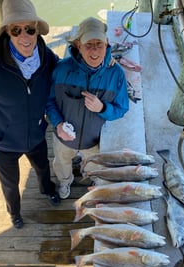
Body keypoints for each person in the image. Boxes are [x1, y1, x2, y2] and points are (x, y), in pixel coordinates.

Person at [0, 0, 61, 229]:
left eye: (30, 29)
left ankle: (48, 190)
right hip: (3, 144)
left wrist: (109, 61)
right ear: (7, 33)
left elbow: (69, 71)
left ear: (36, 29)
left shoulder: (48, 58)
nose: (25, 37)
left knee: (43, 168)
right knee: (10, 185)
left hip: (36, 135)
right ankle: (14, 213)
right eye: (16, 30)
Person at [46, 17, 129, 199]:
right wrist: (58, 124)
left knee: (93, 165)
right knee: (62, 162)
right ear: (78, 45)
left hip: (94, 140)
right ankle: (65, 181)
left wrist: (102, 108)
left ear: (106, 43)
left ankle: (92, 178)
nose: (94, 50)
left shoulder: (116, 74)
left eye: (98, 43)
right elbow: (49, 101)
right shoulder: (61, 70)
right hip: (63, 139)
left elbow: (122, 108)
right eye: (88, 44)